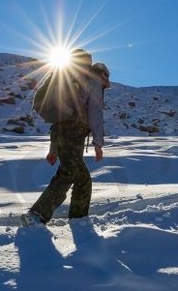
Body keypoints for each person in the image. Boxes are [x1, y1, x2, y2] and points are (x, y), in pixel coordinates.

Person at [22, 49, 109, 226]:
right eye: (106, 79)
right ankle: (37, 214)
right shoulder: (93, 81)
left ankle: (78, 220)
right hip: (73, 132)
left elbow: (58, 125)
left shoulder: (74, 78)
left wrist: (53, 150)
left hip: (62, 132)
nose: (106, 83)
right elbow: (95, 114)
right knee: (68, 173)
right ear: (103, 74)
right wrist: (98, 144)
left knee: (83, 179)